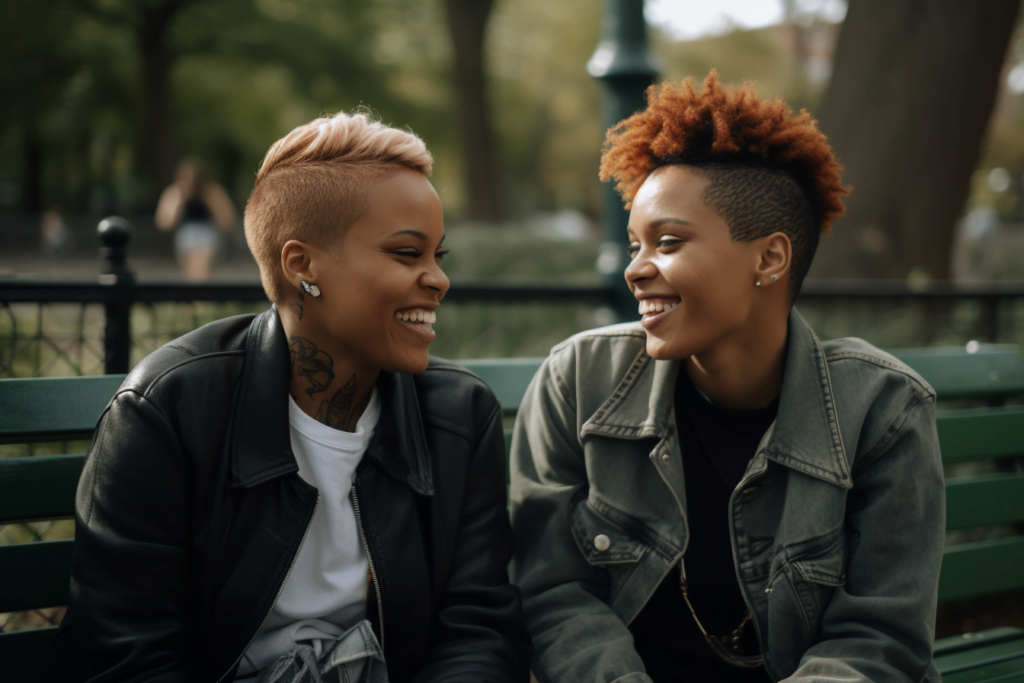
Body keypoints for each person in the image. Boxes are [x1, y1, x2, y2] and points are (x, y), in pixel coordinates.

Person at [48, 112, 532, 683]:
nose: (438, 279)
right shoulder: (169, 409)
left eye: (438, 257)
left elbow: (477, 632)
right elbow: (124, 655)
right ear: (302, 266)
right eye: (407, 253)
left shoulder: (458, 415)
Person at [510, 72, 945, 683]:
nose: (636, 270)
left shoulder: (883, 407)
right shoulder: (579, 379)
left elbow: (880, 637)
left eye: (666, 242)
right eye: (635, 245)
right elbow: (553, 595)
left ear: (769, 258)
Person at [155, 159, 237, 281]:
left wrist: (209, 202)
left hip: (208, 235)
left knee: (199, 268)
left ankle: (197, 295)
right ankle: (195, 296)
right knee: (190, 273)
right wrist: (180, 201)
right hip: (185, 236)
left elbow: (228, 223)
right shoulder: (175, 193)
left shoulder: (212, 192)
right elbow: (164, 223)